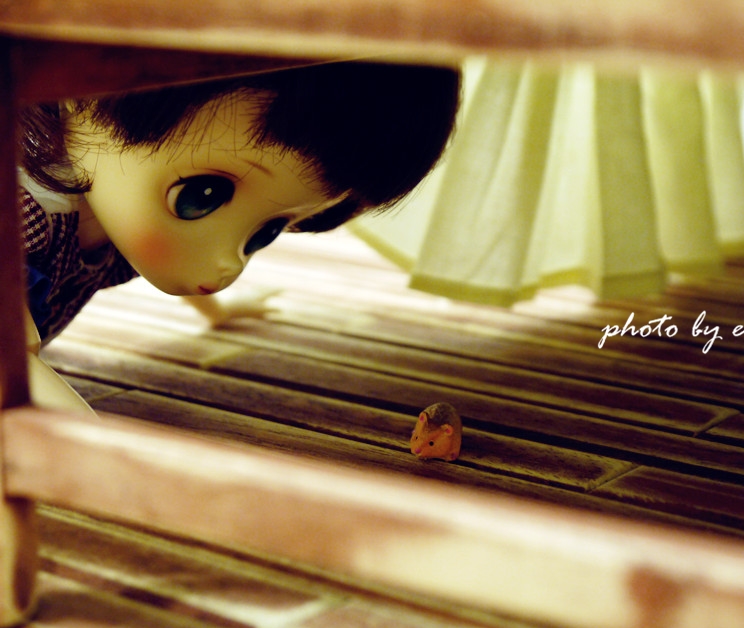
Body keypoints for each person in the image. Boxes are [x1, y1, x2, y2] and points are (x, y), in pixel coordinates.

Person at [16, 59, 461, 411]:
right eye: (200, 197)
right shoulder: (20, 212)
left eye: (267, 230)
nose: (226, 262)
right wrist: (92, 454)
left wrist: (217, 310)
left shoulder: (120, 210)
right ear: (78, 89)